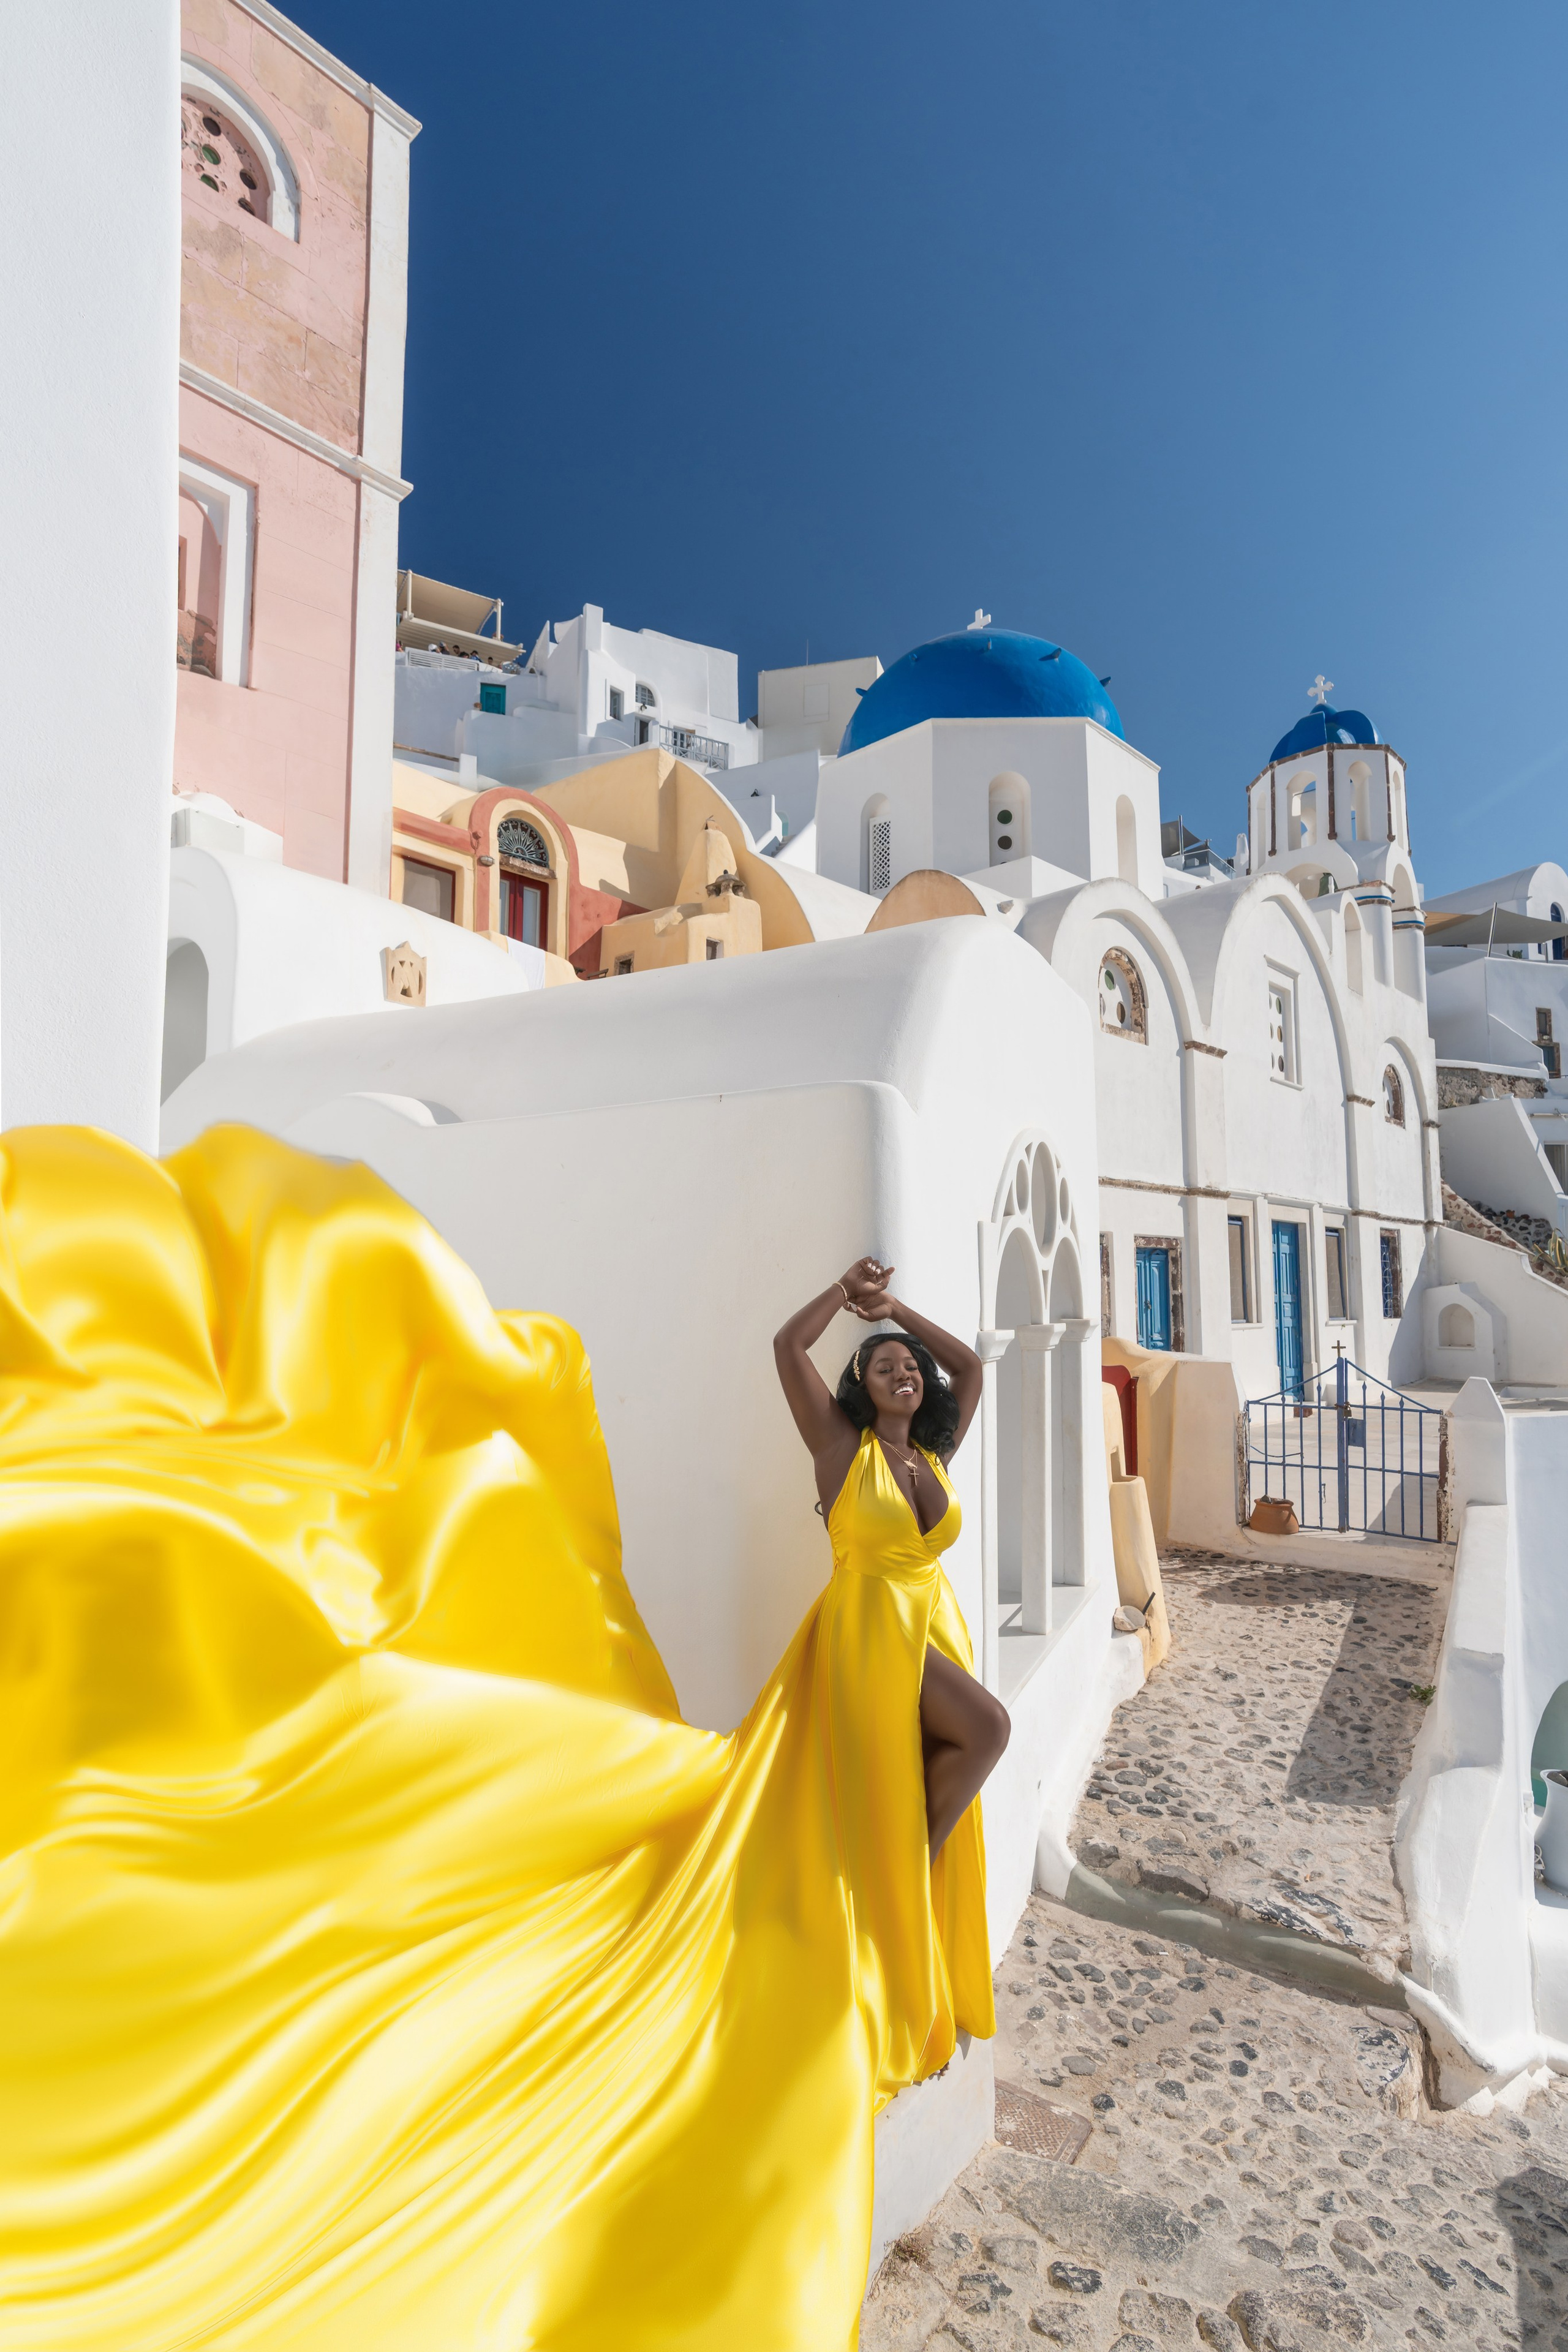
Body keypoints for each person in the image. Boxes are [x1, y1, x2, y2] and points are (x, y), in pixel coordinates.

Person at [774, 1258, 1010, 1860]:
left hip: (933, 1623)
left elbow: (969, 1367)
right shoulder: (841, 1450)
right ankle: (909, 1863)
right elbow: (788, 1345)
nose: (902, 1373)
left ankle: (901, 1867)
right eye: (884, 1368)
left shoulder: (934, 1455)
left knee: (932, 1755)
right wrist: (844, 1292)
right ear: (864, 1387)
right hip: (869, 1626)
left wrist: (897, 1313)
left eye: (910, 1367)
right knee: (988, 1728)